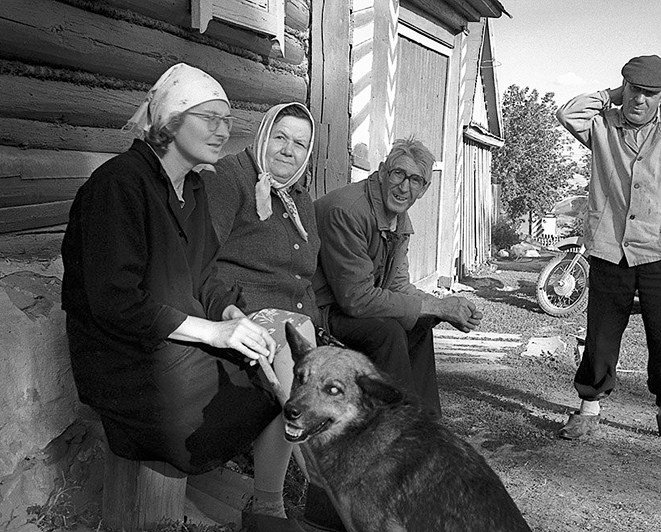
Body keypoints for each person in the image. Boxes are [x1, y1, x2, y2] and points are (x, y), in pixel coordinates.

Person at [60, 64, 299, 489]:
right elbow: (116, 302)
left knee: (279, 347)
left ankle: (273, 500)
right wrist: (214, 333)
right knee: (260, 384)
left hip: (176, 341)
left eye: (227, 120)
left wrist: (228, 314)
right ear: (170, 121)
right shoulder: (118, 185)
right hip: (129, 359)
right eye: (209, 119)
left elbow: (204, 276)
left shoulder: (194, 188)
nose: (223, 131)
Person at [304, 137, 483, 531]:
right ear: (383, 172)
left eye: (416, 180)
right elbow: (355, 299)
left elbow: (399, 287)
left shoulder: (399, 221)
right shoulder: (348, 210)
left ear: (424, 189)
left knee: (419, 323)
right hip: (320, 313)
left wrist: (443, 308)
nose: (404, 187)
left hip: (352, 309)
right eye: (398, 174)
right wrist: (438, 305)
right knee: (386, 331)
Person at [555, 55, 661, 443]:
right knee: (601, 331)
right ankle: (589, 410)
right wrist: (613, 94)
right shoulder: (602, 125)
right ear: (623, 88)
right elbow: (568, 113)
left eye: (650, 93)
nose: (640, 100)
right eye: (633, 90)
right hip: (610, 248)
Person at [203, 102, 319, 521]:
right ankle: (289, 492)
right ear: (263, 135)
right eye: (280, 137)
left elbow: (304, 276)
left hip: (296, 325)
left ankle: (291, 498)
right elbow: (203, 260)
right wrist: (227, 310)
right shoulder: (231, 178)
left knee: (311, 362)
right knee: (295, 357)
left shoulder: (300, 200)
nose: (288, 150)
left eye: (299, 144)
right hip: (241, 315)